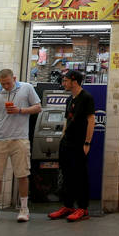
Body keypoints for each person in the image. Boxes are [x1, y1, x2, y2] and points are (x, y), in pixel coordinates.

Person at [0, 69, 42, 223]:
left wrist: (20, 110)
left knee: (22, 174)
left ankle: (24, 209)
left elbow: (38, 107)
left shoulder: (26, 88)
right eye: (3, 83)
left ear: (14, 78)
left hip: (19, 139)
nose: (6, 86)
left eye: (8, 83)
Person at [49, 70, 94, 222]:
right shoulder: (69, 99)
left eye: (66, 81)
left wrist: (87, 142)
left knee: (80, 176)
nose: (64, 83)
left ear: (74, 81)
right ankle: (68, 206)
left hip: (79, 143)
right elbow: (67, 121)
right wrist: (62, 138)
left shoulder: (86, 98)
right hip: (67, 143)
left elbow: (91, 120)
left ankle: (82, 208)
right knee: (67, 175)